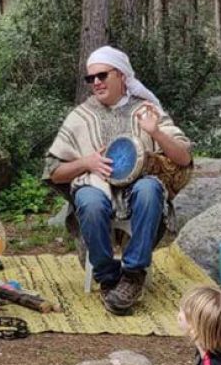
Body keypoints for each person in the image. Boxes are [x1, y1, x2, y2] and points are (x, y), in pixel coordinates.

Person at [44, 46, 193, 315]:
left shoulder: (147, 110)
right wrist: (86, 163)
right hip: (94, 183)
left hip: (139, 184)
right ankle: (108, 276)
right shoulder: (81, 116)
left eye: (102, 75)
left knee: (149, 189)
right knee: (89, 201)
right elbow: (53, 171)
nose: (96, 83)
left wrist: (156, 132)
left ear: (122, 76)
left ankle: (134, 274)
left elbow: (183, 158)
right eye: (91, 79)